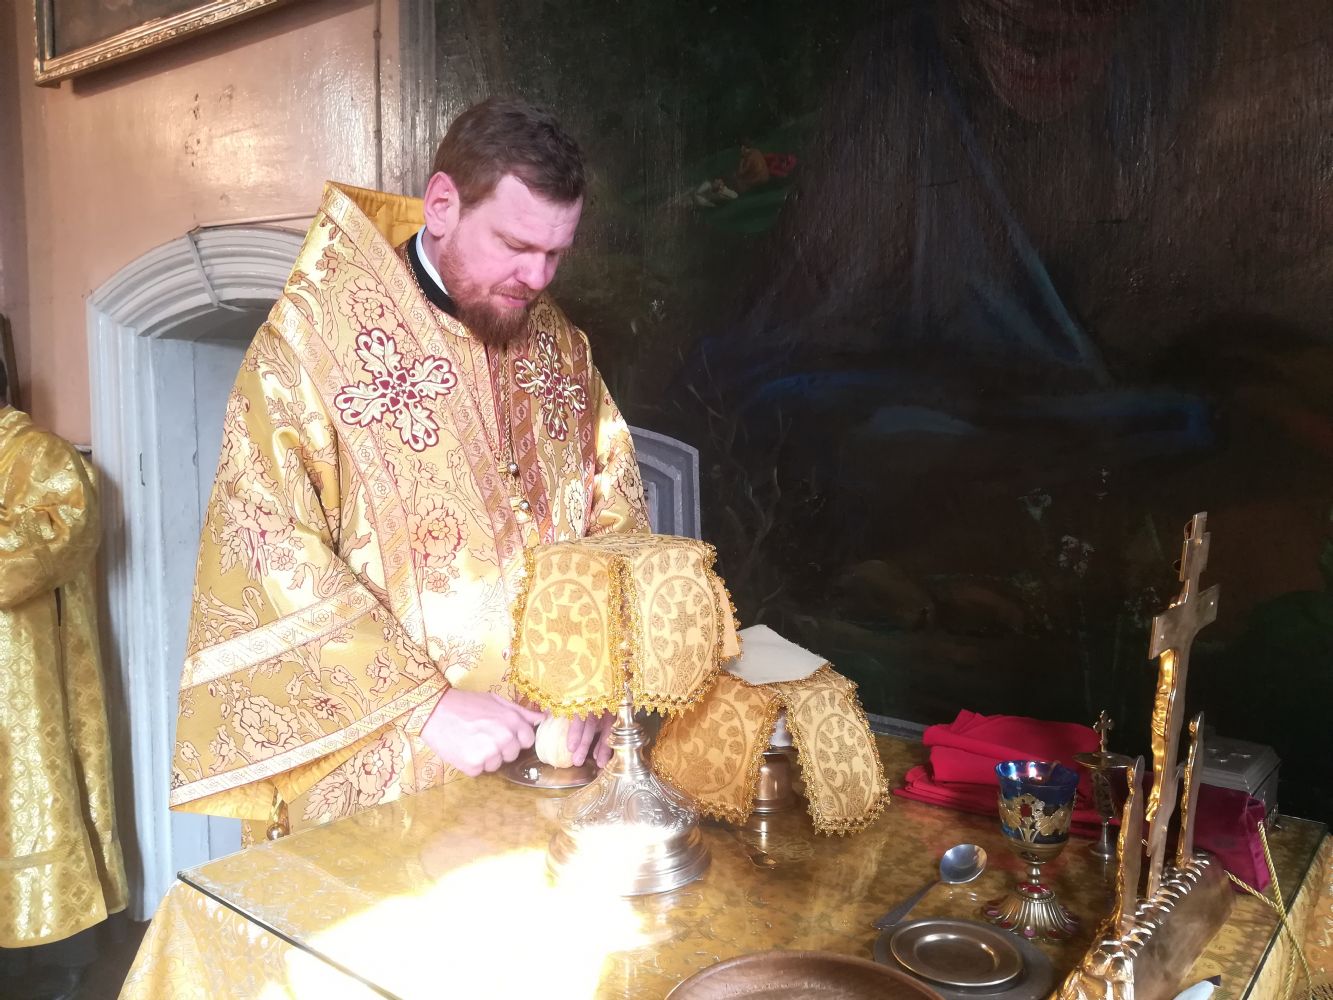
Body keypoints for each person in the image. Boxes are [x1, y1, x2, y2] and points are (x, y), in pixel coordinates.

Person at [169, 98, 651, 843]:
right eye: (515, 244)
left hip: (553, 765)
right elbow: (264, 547)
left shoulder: (558, 343)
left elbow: (613, 510)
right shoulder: (311, 347)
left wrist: (593, 682)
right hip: (387, 773)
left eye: (556, 253)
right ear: (442, 205)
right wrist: (428, 709)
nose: (536, 276)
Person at [0, 363, 128, 1000]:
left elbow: (58, 537)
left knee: (34, 796)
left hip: (25, 681)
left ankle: (62, 950)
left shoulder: (40, 453)